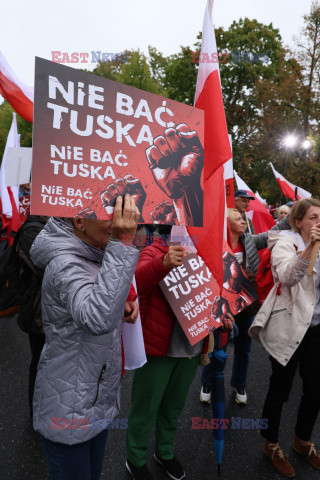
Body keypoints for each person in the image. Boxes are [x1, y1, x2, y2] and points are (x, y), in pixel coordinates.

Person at [29, 195, 140, 480]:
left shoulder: (95, 251)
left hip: (92, 398)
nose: (117, 220)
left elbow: (99, 299)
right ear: (79, 221)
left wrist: (122, 305)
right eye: (110, 214)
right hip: (69, 406)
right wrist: (123, 242)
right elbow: (97, 318)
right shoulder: (65, 263)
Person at [125, 225, 233, 480]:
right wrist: (162, 263)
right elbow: (137, 283)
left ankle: (164, 452)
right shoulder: (154, 250)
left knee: (173, 407)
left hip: (190, 348)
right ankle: (136, 458)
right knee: (146, 407)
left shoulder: (206, 254)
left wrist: (222, 316)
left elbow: (215, 294)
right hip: (159, 348)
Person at [249, 198, 320, 477]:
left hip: (316, 327)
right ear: (298, 221)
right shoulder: (284, 241)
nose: (318, 222)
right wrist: (311, 247)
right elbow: (288, 276)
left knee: (315, 389)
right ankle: (271, 443)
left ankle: (302, 440)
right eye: (313, 217)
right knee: (281, 388)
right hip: (290, 326)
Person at [200, 208, 266, 405]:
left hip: (245, 305)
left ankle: (239, 384)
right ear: (227, 224)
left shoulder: (249, 241)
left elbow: (275, 232)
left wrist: (295, 216)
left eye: (243, 218)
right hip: (221, 304)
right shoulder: (216, 243)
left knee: (244, 348)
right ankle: (207, 383)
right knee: (217, 346)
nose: (243, 221)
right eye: (238, 219)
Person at [15, 215, 48, 419]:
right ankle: (37, 415)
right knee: (40, 362)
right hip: (39, 314)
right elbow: (48, 269)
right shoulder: (31, 230)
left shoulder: (65, 225)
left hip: (58, 313)